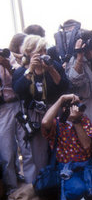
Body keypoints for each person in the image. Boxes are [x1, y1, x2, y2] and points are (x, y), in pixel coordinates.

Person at [12, 35, 70, 179]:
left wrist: (50, 69)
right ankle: (42, 184)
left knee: (60, 146)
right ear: (29, 52)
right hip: (34, 114)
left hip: (53, 110)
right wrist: (30, 69)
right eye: (40, 50)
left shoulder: (53, 65)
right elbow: (18, 90)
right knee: (39, 152)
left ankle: (62, 180)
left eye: (45, 50)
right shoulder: (22, 71)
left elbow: (64, 86)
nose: (44, 53)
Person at [0, 47, 35, 194]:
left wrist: (7, 64)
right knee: (6, 151)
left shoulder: (7, 55)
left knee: (26, 146)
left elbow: (20, 78)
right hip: (2, 109)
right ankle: (12, 190)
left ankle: (31, 186)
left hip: (17, 104)